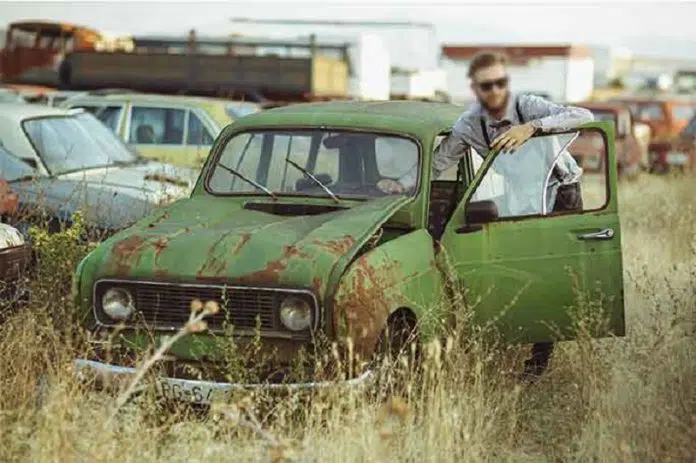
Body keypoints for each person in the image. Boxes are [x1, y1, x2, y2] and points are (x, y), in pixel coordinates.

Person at [377, 50, 595, 378]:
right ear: (475, 89)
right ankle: (517, 341)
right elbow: (440, 160)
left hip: (560, 189)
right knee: (519, 269)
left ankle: (541, 360)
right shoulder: (469, 123)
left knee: (553, 272)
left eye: (500, 82)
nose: (495, 91)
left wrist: (532, 128)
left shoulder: (527, 106)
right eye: (486, 85)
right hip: (519, 195)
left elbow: (584, 116)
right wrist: (400, 183)